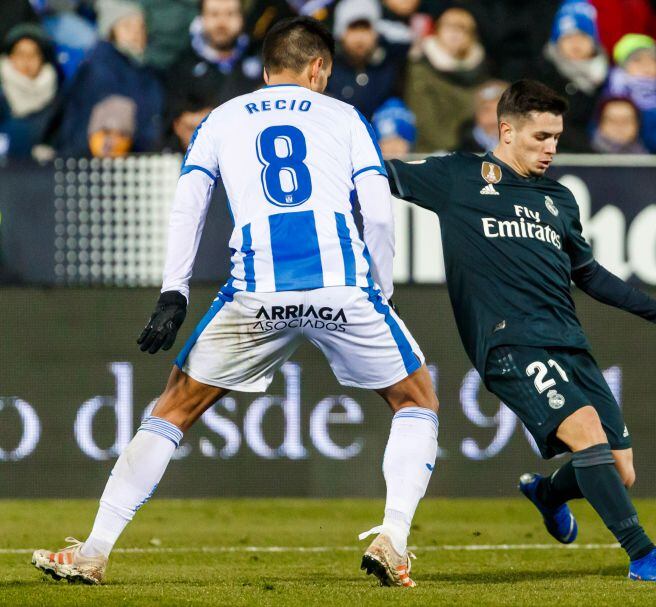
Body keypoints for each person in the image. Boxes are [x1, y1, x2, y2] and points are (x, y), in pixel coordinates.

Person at [31, 17, 440, 589]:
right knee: (415, 399)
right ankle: (393, 538)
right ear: (319, 68)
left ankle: (95, 551)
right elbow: (375, 211)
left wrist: (174, 289)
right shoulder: (346, 116)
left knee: (173, 409)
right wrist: (382, 291)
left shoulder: (222, 118)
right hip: (342, 287)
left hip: (257, 290)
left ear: (266, 69)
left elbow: (188, 204)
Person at [386, 79, 656, 582]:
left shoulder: (558, 199)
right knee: (589, 437)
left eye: (556, 137)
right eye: (540, 138)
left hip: (568, 341)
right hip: (509, 341)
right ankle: (644, 556)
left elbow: (590, 275)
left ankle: (546, 492)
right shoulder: (459, 177)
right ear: (505, 130)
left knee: (620, 470)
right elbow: (373, 174)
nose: (551, 148)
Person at [54, 0, 164, 156]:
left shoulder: (146, 71)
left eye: (141, 27)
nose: (136, 34)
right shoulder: (99, 70)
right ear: (111, 31)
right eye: (127, 26)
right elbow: (86, 134)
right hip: (101, 166)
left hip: (138, 159)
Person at [404, 6, 488, 152]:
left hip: (472, 152)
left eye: (463, 28)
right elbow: (424, 120)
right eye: (449, 27)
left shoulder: (480, 69)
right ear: (437, 30)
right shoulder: (421, 68)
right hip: (433, 153)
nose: (455, 33)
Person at [533, 0, 609, 153]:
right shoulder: (543, 79)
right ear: (556, 42)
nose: (576, 44)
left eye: (582, 36)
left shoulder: (608, 77)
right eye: (568, 37)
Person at [168, 0, 262, 109]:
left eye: (230, 14)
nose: (222, 23)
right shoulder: (181, 67)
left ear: (242, 17)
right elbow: (176, 119)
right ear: (201, 17)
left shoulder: (262, 58)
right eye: (214, 14)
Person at [326, 0, 407, 119]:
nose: (360, 38)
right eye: (353, 28)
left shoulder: (391, 64)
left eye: (365, 28)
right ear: (341, 33)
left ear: (376, 32)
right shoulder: (328, 69)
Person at [0, 24, 62, 159]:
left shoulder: (58, 103)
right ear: (10, 57)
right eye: (20, 53)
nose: (26, 60)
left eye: (33, 54)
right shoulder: (2, 98)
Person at [455, 79, 507, 153]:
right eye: (487, 111)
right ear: (476, 114)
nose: (494, 118)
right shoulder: (458, 155)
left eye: (502, 110)